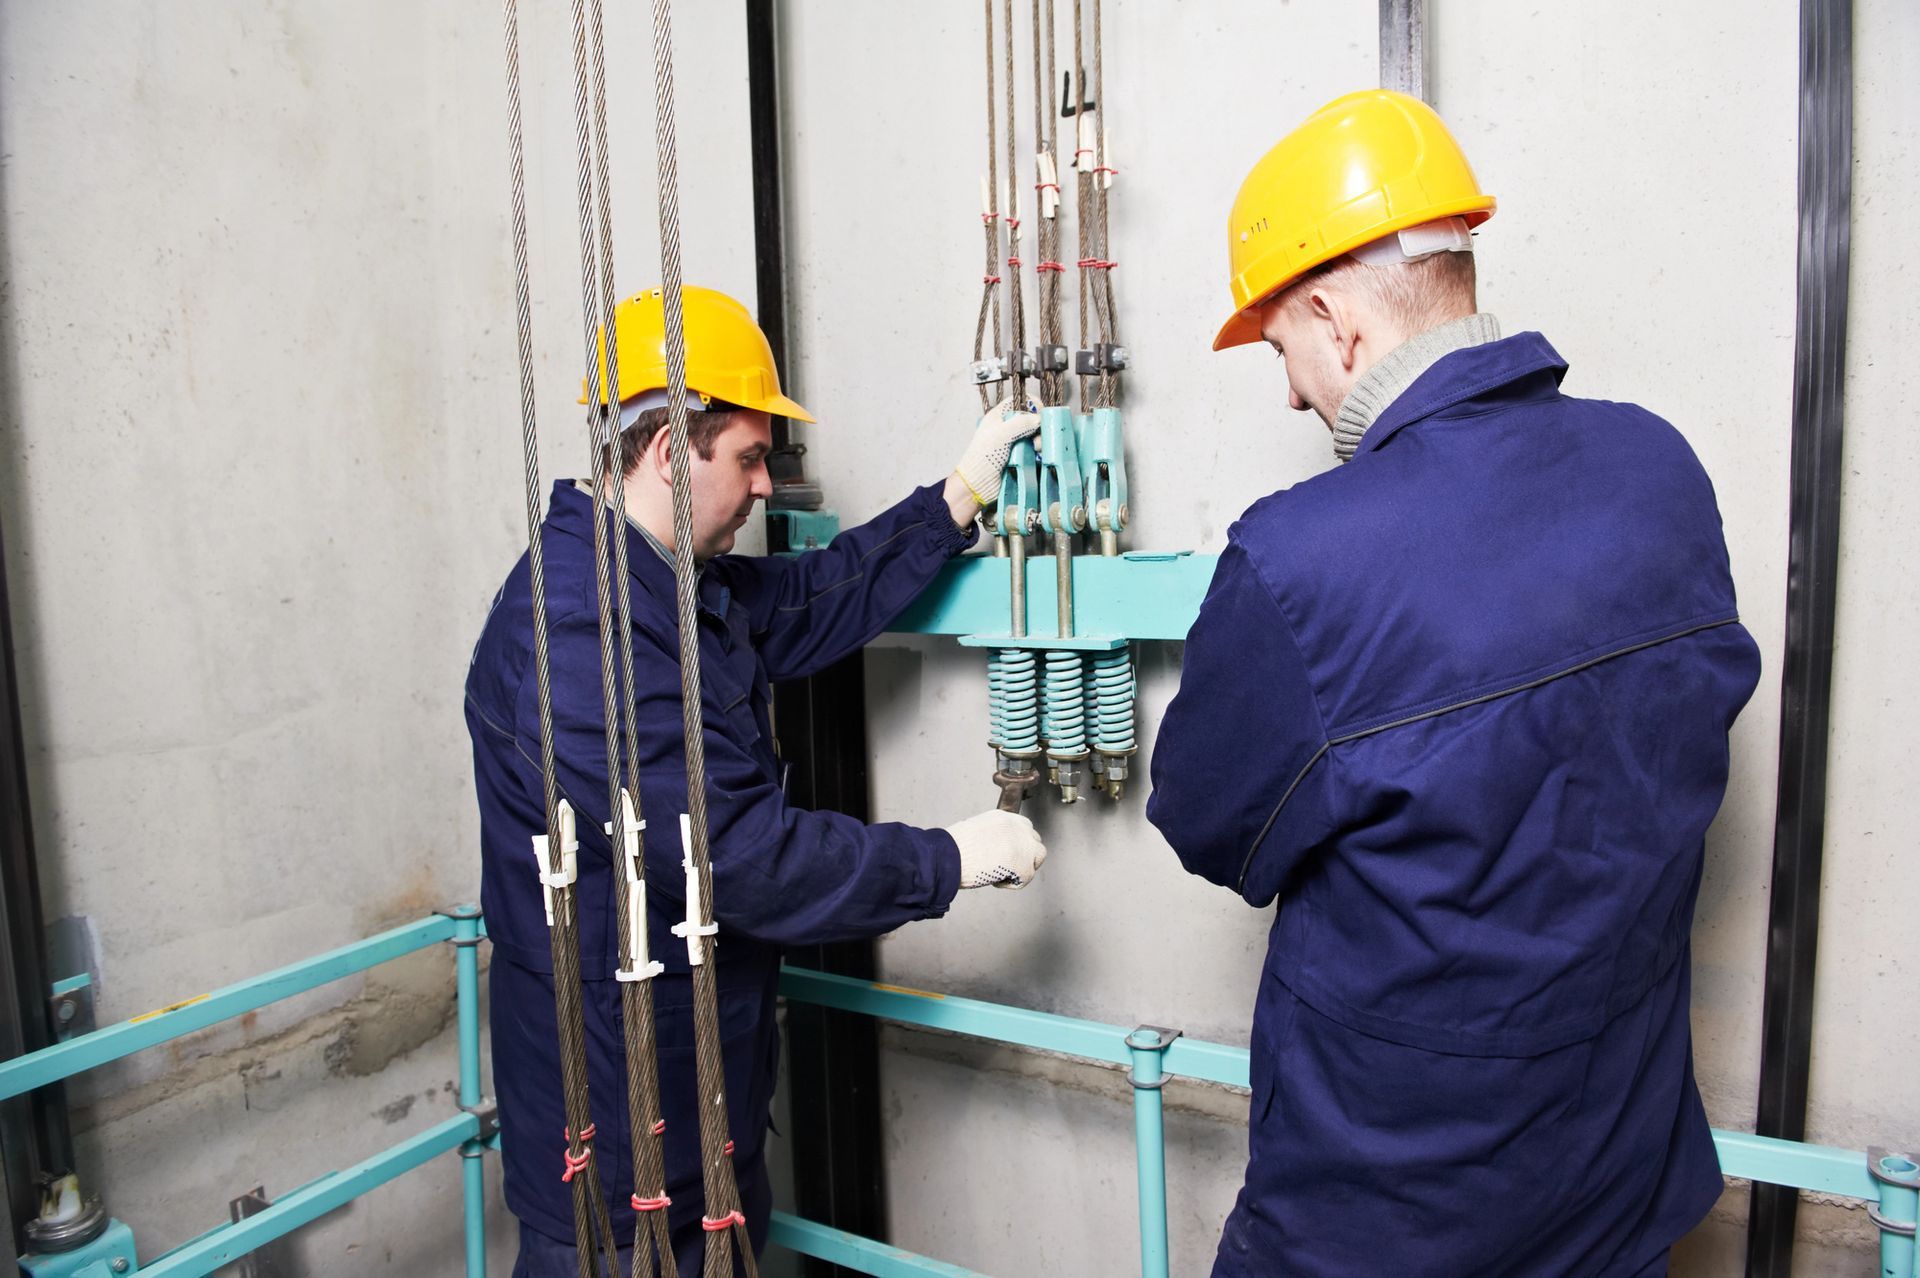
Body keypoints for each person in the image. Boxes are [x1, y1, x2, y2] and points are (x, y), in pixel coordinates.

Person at [1147, 90, 1761, 1277]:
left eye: (1279, 348)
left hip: (1389, 1214)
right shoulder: (1660, 466)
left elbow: (1208, 828)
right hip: (1619, 1188)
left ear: (1334, 319)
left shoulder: (1299, 560)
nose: (1287, 394)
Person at [466, 284, 1049, 1275]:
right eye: (747, 457)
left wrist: (957, 501)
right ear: (666, 453)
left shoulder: (670, 589)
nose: (768, 487)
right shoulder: (581, 634)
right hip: (620, 1145)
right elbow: (736, 858)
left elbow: (813, 596)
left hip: (704, 1101)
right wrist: (946, 859)